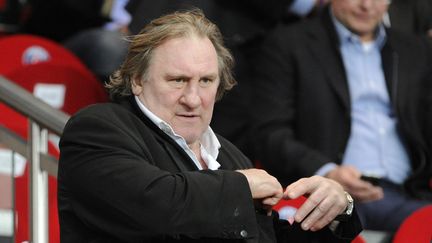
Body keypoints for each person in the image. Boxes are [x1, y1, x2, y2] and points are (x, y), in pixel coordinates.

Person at [57, 9, 362, 242]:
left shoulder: (229, 157)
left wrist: (334, 211)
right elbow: (157, 206)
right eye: (178, 80)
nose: (193, 99)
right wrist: (241, 186)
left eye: (206, 81)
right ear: (137, 79)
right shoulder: (98, 129)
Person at [250, 0, 432, 232]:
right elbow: (269, 133)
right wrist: (328, 171)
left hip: (410, 193)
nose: (367, 5)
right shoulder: (288, 44)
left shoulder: (416, 50)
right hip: (326, 195)